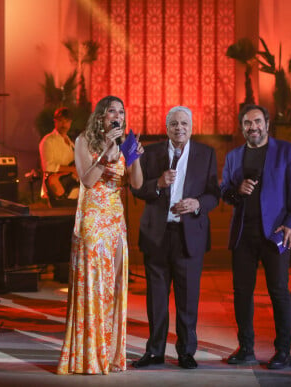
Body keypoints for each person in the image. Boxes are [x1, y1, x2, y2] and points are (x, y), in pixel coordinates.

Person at [57, 96, 143, 375]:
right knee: (93, 285)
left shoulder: (126, 142)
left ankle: (110, 353)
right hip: (92, 221)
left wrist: (135, 157)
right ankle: (88, 356)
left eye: (121, 111)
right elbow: (87, 180)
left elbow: (136, 184)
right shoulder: (85, 141)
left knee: (113, 286)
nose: (117, 116)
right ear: (101, 117)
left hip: (115, 220)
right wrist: (107, 151)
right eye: (111, 112)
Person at [131, 106, 219, 370]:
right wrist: (157, 184)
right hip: (157, 235)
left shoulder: (206, 153)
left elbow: (214, 193)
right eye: (174, 124)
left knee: (187, 297)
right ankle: (155, 351)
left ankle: (186, 351)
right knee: (156, 298)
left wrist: (197, 204)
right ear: (166, 127)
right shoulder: (153, 152)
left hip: (188, 235)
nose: (179, 128)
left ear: (191, 127)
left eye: (184, 123)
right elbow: (137, 189)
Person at [221, 104, 291, 369]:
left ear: (267, 123)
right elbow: (224, 191)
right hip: (244, 234)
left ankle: (283, 352)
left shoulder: (285, 151)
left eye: (257, 121)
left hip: (276, 233)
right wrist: (238, 189)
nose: (253, 127)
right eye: (247, 123)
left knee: (278, 291)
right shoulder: (234, 156)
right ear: (242, 127)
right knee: (242, 292)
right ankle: (246, 348)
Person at [39, 107, 79, 206]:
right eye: (60, 121)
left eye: (66, 121)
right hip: (56, 191)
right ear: (55, 122)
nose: (63, 124)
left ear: (70, 123)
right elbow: (48, 166)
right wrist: (72, 169)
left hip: (72, 189)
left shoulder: (70, 143)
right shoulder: (48, 141)